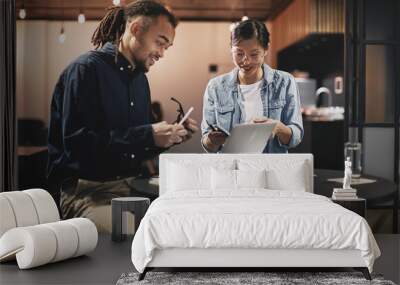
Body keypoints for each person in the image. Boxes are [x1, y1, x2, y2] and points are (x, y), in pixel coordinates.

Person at [47, 0, 198, 232]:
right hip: (88, 193)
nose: (162, 53)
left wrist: (170, 137)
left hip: (131, 187)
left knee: (190, 216)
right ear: (136, 29)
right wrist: (147, 135)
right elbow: (77, 146)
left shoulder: (140, 81)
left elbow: (137, 146)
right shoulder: (85, 70)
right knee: (142, 231)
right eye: (160, 43)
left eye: (167, 47)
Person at [201, 19, 303, 153]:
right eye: (239, 53)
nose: (246, 61)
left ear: (266, 49)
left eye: (254, 54)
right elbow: (207, 144)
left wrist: (277, 127)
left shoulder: (285, 82)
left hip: (270, 168)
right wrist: (212, 140)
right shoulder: (215, 87)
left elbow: (295, 137)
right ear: (231, 49)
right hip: (231, 168)